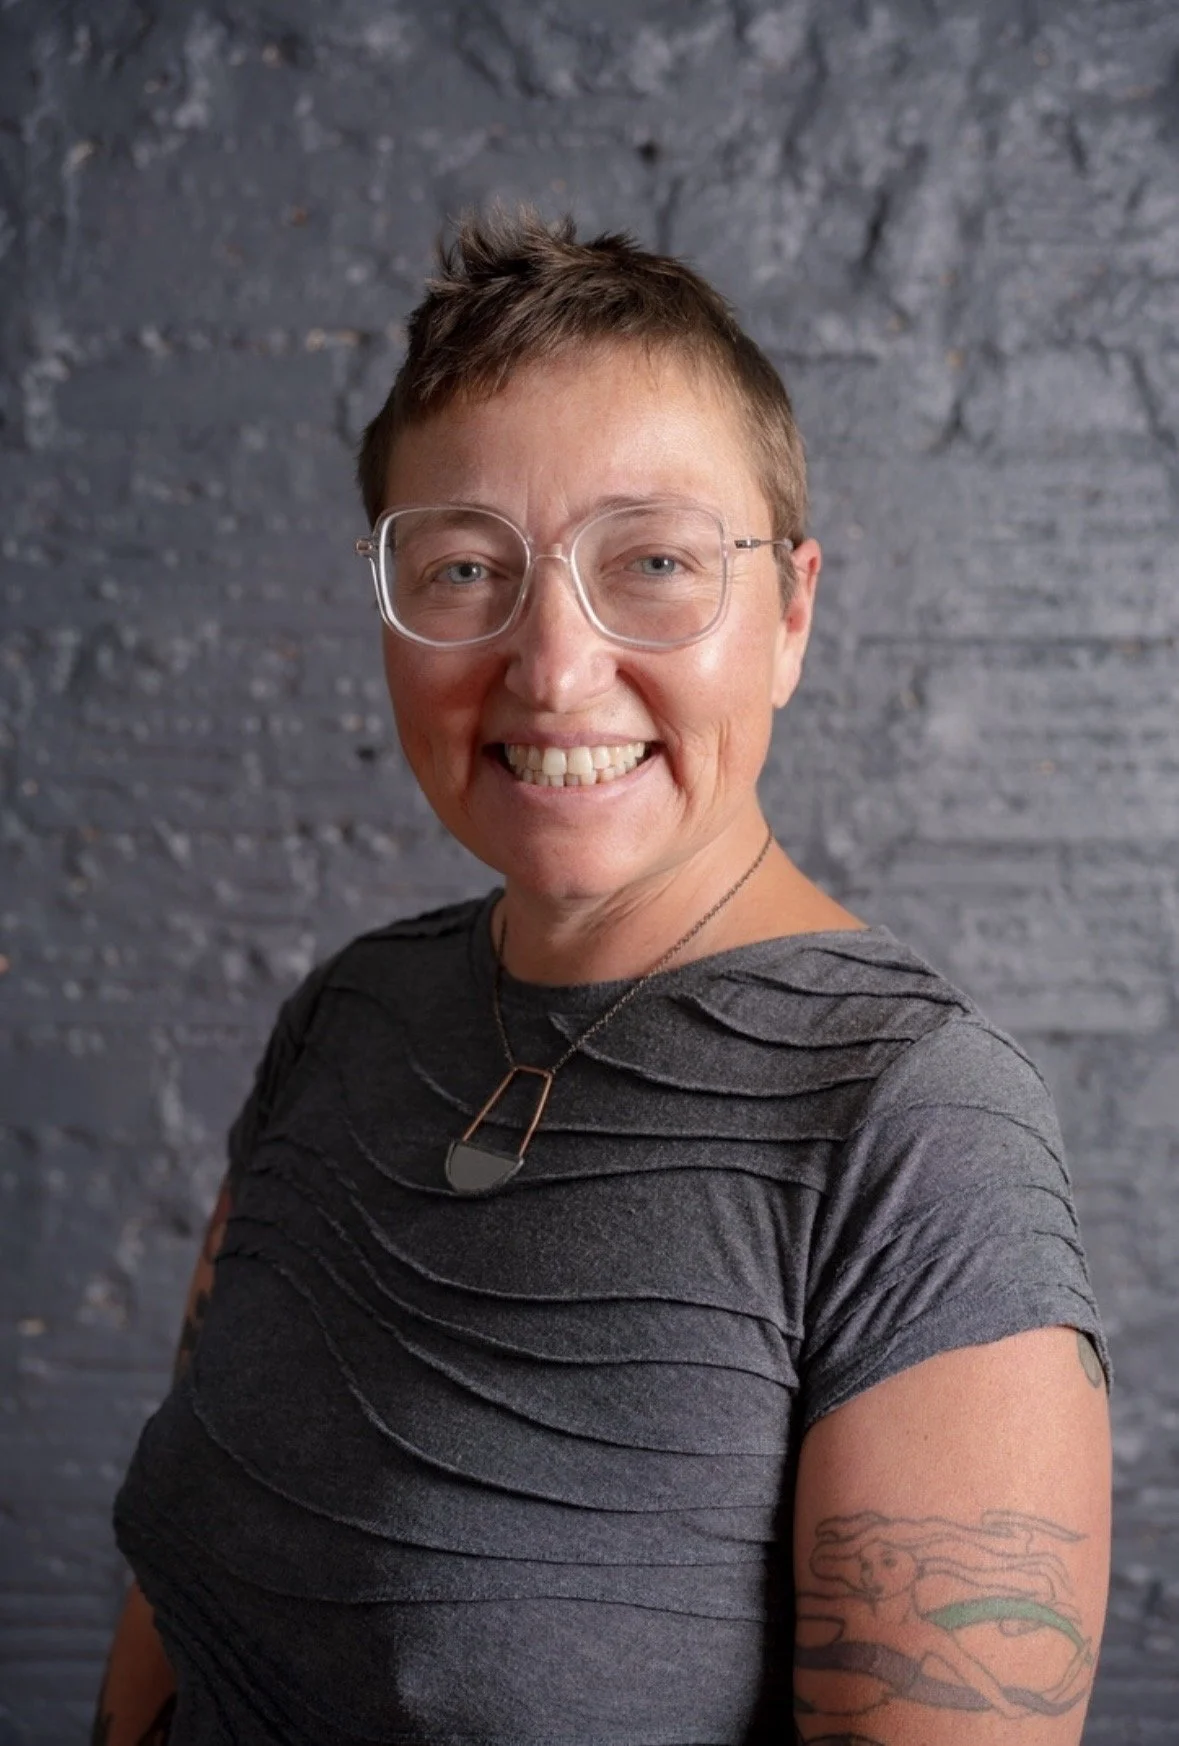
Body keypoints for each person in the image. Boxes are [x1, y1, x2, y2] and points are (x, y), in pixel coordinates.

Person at [97, 210, 1111, 1746]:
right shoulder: (346, 1020)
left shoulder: (913, 1131)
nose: (553, 668)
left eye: (650, 560)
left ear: (790, 613)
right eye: (461, 567)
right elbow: (173, 1601)